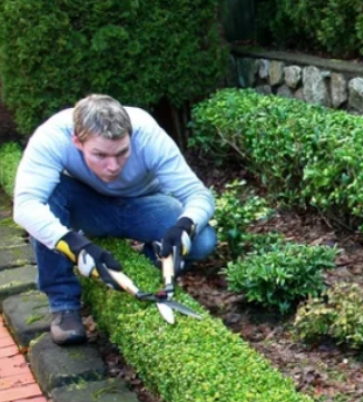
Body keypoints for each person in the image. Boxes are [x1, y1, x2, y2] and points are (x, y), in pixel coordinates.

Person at [13, 94, 216, 345]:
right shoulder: (53, 136)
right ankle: (64, 305)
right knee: (49, 198)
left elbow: (197, 194)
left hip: (141, 206)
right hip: (88, 207)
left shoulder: (149, 135)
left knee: (203, 239)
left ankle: (150, 264)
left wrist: (185, 225)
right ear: (77, 141)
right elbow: (25, 205)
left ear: (130, 136)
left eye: (122, 153)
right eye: (100, 155)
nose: (113, 166)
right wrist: (74, 246)